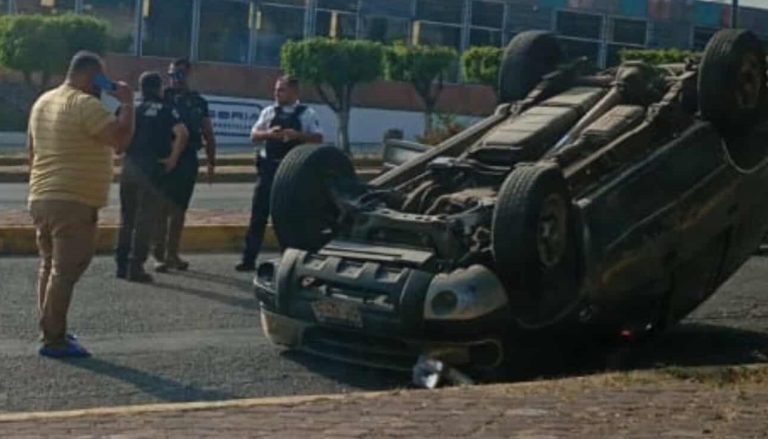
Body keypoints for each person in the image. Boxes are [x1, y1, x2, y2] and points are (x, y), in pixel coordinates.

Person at [28, 51, 134, 358]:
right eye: (102, 77)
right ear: (92, 77)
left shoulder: (43, 101)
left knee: (49, 266)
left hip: (42, 196)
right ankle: (54, 339)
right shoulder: (85, 104)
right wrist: (127, 102)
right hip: (73, 201)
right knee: (67, 269)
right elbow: (121, 139)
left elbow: (31, 149)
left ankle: (51, 327)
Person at [235, 76, 324, 272]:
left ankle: (290, 262)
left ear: (294, 92)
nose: (276, 93)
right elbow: (254, 136)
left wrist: (297, 136)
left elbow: (318, 138)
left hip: (292, 173)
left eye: (281, 90)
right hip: (268, 169)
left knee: (288, 218)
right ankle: (248, 259)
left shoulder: (307, 113)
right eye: (276, 89)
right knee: (258, 216)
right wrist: (270, 134)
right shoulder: (269, 112)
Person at [116, 72, 188, 283]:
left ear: (140, 87)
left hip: (130, 166)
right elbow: (182, 133)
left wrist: (120, 150)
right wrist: (173, 158)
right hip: (153, 168)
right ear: (159, 88)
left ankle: (121, 265)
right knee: (145, 219)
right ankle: (136, 266)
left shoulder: (130, 108)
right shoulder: (167, 110)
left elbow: (118, 134)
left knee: (126, 218)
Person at [153, 58, 217, 272]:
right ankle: (159, 255)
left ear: (188, 75)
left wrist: (211, 163)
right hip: (165, 156)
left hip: (188, 159)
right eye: (171, 75)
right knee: (161, 208)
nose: (174, 79)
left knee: (179, 209)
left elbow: (208, 133)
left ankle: (172, 254)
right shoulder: (162, 97)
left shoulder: (198, 102)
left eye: (179, 74)